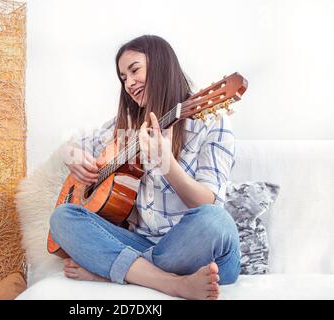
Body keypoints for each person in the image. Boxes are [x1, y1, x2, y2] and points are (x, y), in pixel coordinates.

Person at [49, 35, 241, 300]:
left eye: (134, 70)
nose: (128, 83)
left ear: (161, 65)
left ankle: (115, 270)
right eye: (123, 77)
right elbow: (74, 145)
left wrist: (167, 164)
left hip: (196, 248)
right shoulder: (127, 125)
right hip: (144, 243)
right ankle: (169, 282)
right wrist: (72, 155)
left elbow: (208, 204)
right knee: (62, 218)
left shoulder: (212, 123)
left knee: (216, 221)